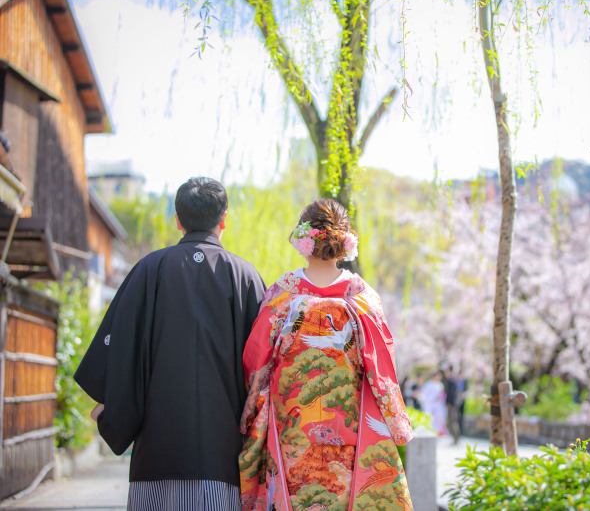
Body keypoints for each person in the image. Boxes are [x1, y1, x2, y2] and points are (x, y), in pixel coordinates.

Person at [74, 177, 266, 510]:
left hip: (156, 451)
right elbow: (264, 366)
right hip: (223, 455)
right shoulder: (245, 277)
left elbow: (120, 347)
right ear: (224, 220)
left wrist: (113, 409)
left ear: (177, 220)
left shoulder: (149, 270)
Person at [239, 199, 413, 511]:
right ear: (345, 243)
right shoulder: (362, 298)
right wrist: (395, 418)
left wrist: (250, 408)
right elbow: (382, 364)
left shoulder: (283, 294)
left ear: (302, 239)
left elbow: (256, 360)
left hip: (291, 429)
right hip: (348, 431)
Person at [420, 371, 448, 436]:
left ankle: (440, 431)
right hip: (430, 404)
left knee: (440, 418)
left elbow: (443, 394)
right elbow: (424, 395)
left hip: (439, 404)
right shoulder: (428, 384)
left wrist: (441, 397)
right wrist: (434, 398)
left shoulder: (440, 384)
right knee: (431, 419)